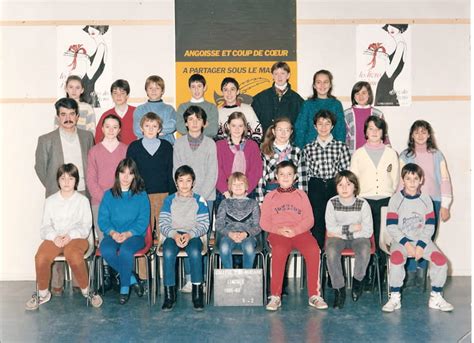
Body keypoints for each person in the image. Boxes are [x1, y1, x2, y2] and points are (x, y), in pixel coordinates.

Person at [35, 97, 94, 295]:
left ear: (77, 116)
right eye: (63, 114)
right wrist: (57, 188)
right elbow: (41, 168)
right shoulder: (46, 139)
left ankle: (80, 284)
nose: (67, 118)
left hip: (83, 191)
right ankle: (57, 283)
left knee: (76, 238)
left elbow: (91, 164)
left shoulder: (87, 137)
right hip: (57, 193)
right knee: (57, 236)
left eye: (71, 114)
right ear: (58, 116)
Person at [25, 164, 101, 310]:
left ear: (76, 181)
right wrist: (55, 237)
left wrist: (70, 236)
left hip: (78, 238)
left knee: (72, 254)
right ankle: (42, 294)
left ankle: (87, 291)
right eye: (63, 178)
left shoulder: (82, 200)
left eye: (71, 178)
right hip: (55, 237)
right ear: (58, 180)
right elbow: (45, 226)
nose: (66, 182)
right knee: (41, 257)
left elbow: (86, 226)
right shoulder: (50, 201)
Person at [382, 163, 453, 313]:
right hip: (401, 241)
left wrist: (420, 245)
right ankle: (395, 297)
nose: (412, 182)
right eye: (408, 178)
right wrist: (407, 244)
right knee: (395, 259)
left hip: (423, 240)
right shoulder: (395, 199)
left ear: (421, 180)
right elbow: (391, 226)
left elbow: (430, 225)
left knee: (441, 261)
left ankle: (436, 296)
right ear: (403, 180)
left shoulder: (426, 199)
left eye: (415, 178)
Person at [260, 161, 328, 311]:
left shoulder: (301, 195)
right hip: (278, 233)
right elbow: (264, 222)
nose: (285, 177)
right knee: (279, 251)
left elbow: (310, 220)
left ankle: (314, 295)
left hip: (300, 232)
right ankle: (275, 296)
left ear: (295, 177)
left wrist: (296, 230)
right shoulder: (270, 197)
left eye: (289, 174)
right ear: (276, 177)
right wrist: (278, 230)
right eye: (282, 174)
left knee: (313, 250)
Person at [399, 120, 453, 284]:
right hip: (409, 202)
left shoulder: (437, 155)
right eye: (417, 132)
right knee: (409, 234)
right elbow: (400, 181)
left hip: (433, 201)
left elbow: (444, 180)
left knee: (427, 236)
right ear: (412, 135)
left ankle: (422, 270)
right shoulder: (405, 155)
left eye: (423, 132)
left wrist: (445, 205)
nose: (420, 135)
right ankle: (410, 270)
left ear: (429, 134)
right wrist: (399, 203)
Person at [350, 115, 399, 288]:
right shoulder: (358, 154)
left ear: (383, 132)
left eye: (378, 129)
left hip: (386, 201)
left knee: (382, 240)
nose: (374, 132)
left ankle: (380, 275)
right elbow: (353, 180)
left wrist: (390, 195)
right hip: (365, 201)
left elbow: (395, 179)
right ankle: (366, 275)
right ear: (365, 132)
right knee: (366, 239)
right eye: (370, 129)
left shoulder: (391, 153)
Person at [173, 105, 217, 292]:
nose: (194, 123)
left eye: (197, 119)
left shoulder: (210, 144)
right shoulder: (179, 144)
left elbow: (212, 173)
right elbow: (177, 171)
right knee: (186, 235)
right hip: (184, 197)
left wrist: (200, 197)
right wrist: (186, 194)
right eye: (190, 119)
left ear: (204, 123)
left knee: (201, 237)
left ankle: (203, 279)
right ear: (185, 123)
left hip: (206, 198)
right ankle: (190, 279)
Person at [98, 158, 150, 305]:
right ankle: (132, 278)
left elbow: (143, 221)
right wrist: (113, 233)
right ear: (117, 174)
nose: (126, 177)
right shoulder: (109, 195)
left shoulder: (141, 195)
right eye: (123, 173)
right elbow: (103, 220)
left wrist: (128, 234)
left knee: (126, 251)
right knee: (106, 250)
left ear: (135, 176)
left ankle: (125, 288)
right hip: (113, 234)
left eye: (130, 173)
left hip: (134, 235)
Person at [87, 114, 128, 291]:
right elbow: (90, 179)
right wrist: (106, 200)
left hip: (122, 202)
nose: (111, 130)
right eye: (107, 126)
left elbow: (129, 176)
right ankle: (107, 276)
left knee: (121, 238)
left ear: (119, 130)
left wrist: (118, 199)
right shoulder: (94, 151)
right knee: (105, 239)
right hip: (100, 202)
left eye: (115, 127)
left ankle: (120, 275)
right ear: (102, 129)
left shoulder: (126, 149)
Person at [160, 165, 209, 311]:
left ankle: (197, 294)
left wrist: (191, 234)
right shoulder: (169, 200)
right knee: (168, 252)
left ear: (193, 182)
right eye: (181, 181)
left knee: (194, 252)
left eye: (188, 181)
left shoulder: (199, 200)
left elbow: (204, 224)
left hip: (192, 235)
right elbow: (163, 223)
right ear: (176, 183)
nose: (185, 184)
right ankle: (169, 295)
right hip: (173, 234)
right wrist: (174, 234)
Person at [303, 110, 351, 250]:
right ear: (315, 126)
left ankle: (332, 255)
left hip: (334, 185)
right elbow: (305, 174)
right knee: (317, 222)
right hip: (315, 186)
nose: (323, 127)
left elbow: (345, 172)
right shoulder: (308, 148)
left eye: (327, 123)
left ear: (332, 126)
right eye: (320, 124)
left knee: (335, 221)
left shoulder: (341, 147)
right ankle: (318, 256)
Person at [325, 170, 373, 309]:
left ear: (355, 187)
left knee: (364, 249)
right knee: (332, 251)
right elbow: (330, 229)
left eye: (348, 184)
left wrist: (343, 232)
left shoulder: (363, 204)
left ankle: (357, 281)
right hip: (339, 239)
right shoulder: (332, 203)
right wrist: (353, 228)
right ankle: (339, 290)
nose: (344, 188)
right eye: (340, 185)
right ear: (336, 187)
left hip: (358, 239)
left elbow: (367, 231)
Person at [127, 112, 175, 243]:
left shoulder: (166, 147)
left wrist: (172, 195)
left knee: (164, 234)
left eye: (154, 126)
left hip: (163, 195)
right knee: (142, 234)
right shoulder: (134, 147)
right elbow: (130, 173)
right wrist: (132, 193)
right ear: (141, 128)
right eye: (147, 125)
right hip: (141, 195)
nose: (150, 129)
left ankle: (164, 262)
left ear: (159, 129)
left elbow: (171, 171)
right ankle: (142, 264)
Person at [256, 117, 307, 204]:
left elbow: (302, 178)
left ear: (291, 132)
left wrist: (303, 200)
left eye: (287, 130)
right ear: (273, 131)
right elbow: (260, 178)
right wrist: (261, 201)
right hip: (271, 193)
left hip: (293, 194)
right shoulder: (265, 151)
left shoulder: (297, 151)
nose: (283, 133)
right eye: (280, 130)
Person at [216, 112, 263, 205]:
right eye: (233, 125)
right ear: (228, 126)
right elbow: (217, 170)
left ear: (245, 127)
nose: (237, 129)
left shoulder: (252, 145)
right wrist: (226, 191)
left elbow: (256, 171)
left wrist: (245, 191)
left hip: (247, 192)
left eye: (240, 126)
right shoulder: (219, 145)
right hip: (224, 193)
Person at [216, 172, 261, 269]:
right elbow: (219, 225)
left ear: (246, 186)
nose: (238, 186)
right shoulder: (224, 203)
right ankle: (229, 277)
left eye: (241, 184)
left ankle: (246, 278)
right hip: (228, 236)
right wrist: (230, 233)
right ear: (230, 187)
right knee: (224, 248)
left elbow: (257, 226)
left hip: (248, 236)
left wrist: (246, 234)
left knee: (249, 248)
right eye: (234, 184)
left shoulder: (253, 204)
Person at [295, 70, 345, 148]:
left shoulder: (336, 104)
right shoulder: (307, 104)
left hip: (332, 150)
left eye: (325, 82)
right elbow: (300, 129)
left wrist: (340, 149)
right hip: (310, 149)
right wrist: (300, 150)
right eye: (318, 82)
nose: (322, 85)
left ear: (330, 85)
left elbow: (341, 130)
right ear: (314, 85)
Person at [251, 61, 304, 134]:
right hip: (265, 142)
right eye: (276, 73)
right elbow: (253, 124)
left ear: (288, 75)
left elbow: (301, 126)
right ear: (272, 76)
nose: (279, 77)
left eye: (282, 73)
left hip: (288, 142)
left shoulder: (297, 100)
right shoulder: (260, 98)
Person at [344, 81, 389, 155]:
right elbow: (345, 138)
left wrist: (389, 151)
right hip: (353, 156)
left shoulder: (378, 114)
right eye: (357, 93)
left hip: (375, 154)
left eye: (364, 93)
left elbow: (384, 136)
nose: (360, 96)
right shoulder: (347, 114)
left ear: (369, 95)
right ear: (354, 96)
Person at [216, 77, 263, 143]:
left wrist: (250, 146)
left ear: (237, 91)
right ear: (222, 92)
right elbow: (217, 136)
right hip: (226, 150)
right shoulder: (218, 112)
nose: (229, 93)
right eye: (225, 90)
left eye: (232, 89)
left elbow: (258, 130)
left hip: (246, 149)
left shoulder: (247, 109)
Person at [133, 75, 177, 144]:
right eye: (150, 88)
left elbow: (172, 126)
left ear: (162, 91)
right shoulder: (139, 110)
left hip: (166, 145)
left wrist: (149, 130)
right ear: (146, 91)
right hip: (145, 147)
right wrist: (160, 132)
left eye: (157, 88)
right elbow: (137, 130)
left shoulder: (169, 109)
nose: (154, 91)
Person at [176, 74, 219, 138]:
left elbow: (213, 130)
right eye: (193, 87)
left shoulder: (211, 107)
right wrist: (203, 125)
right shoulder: (182, 107)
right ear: (189, 88)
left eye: (199, 86)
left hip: (207, 144)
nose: (196, 90)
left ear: (204, 88)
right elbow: (180, 128)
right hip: (187, 144)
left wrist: (190, 127)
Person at [375, 24, 408, 106]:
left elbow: (389, 73)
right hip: (386, 87)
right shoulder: (401, 44)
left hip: (385, 88)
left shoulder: (401, 45)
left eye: (395, 26)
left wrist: (386, 58)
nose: (391, 28)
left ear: (400, 28)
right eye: (389, 26)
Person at [95, 79, 137, 144]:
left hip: (134, 152)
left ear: (127, 95)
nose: (118, 96)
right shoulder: (106, 115)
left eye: (122, 93)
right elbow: (98, 139)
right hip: (112, 153)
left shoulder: (137, 112)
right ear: (111, 95)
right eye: (115, 93)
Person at [81, 25, 108, 107]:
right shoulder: (101, 46)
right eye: (89, 29)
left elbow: (90, 74)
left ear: (100, 29)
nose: (90, 31)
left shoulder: (101, 47)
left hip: (87, 95)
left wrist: (85, 59)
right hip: (87, 94)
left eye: (93, 28)